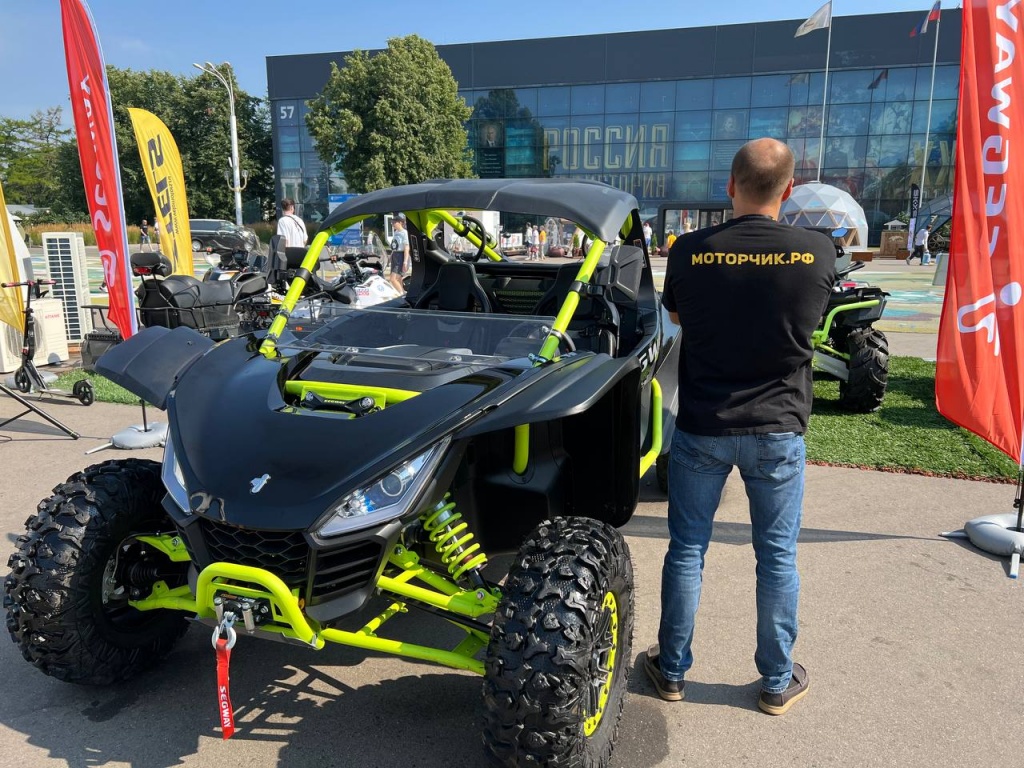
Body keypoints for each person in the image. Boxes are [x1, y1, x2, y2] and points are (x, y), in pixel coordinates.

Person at [644, 137, 836, 716]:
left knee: (687, 550)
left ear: (730, 187)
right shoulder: (818, 251)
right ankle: (776, 681)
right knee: (776, 556)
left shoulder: (688, 251)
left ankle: (672, 669)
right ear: (789, 190)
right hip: (778, 427)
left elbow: (676, 316)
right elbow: (813, 319)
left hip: (703, 424)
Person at [388, 213, 410, 294]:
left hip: (400, 255)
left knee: (393, 279)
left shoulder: (405, 233)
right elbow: (394, 246)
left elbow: (406, 248)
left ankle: (401, 293)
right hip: (395, 255)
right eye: (392, 223)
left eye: (394, 222)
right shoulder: (396, 232)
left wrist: (405, 261)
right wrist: (391, 255)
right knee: (399, 278)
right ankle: (403, 293)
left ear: (400, 222)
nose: (393, 224)